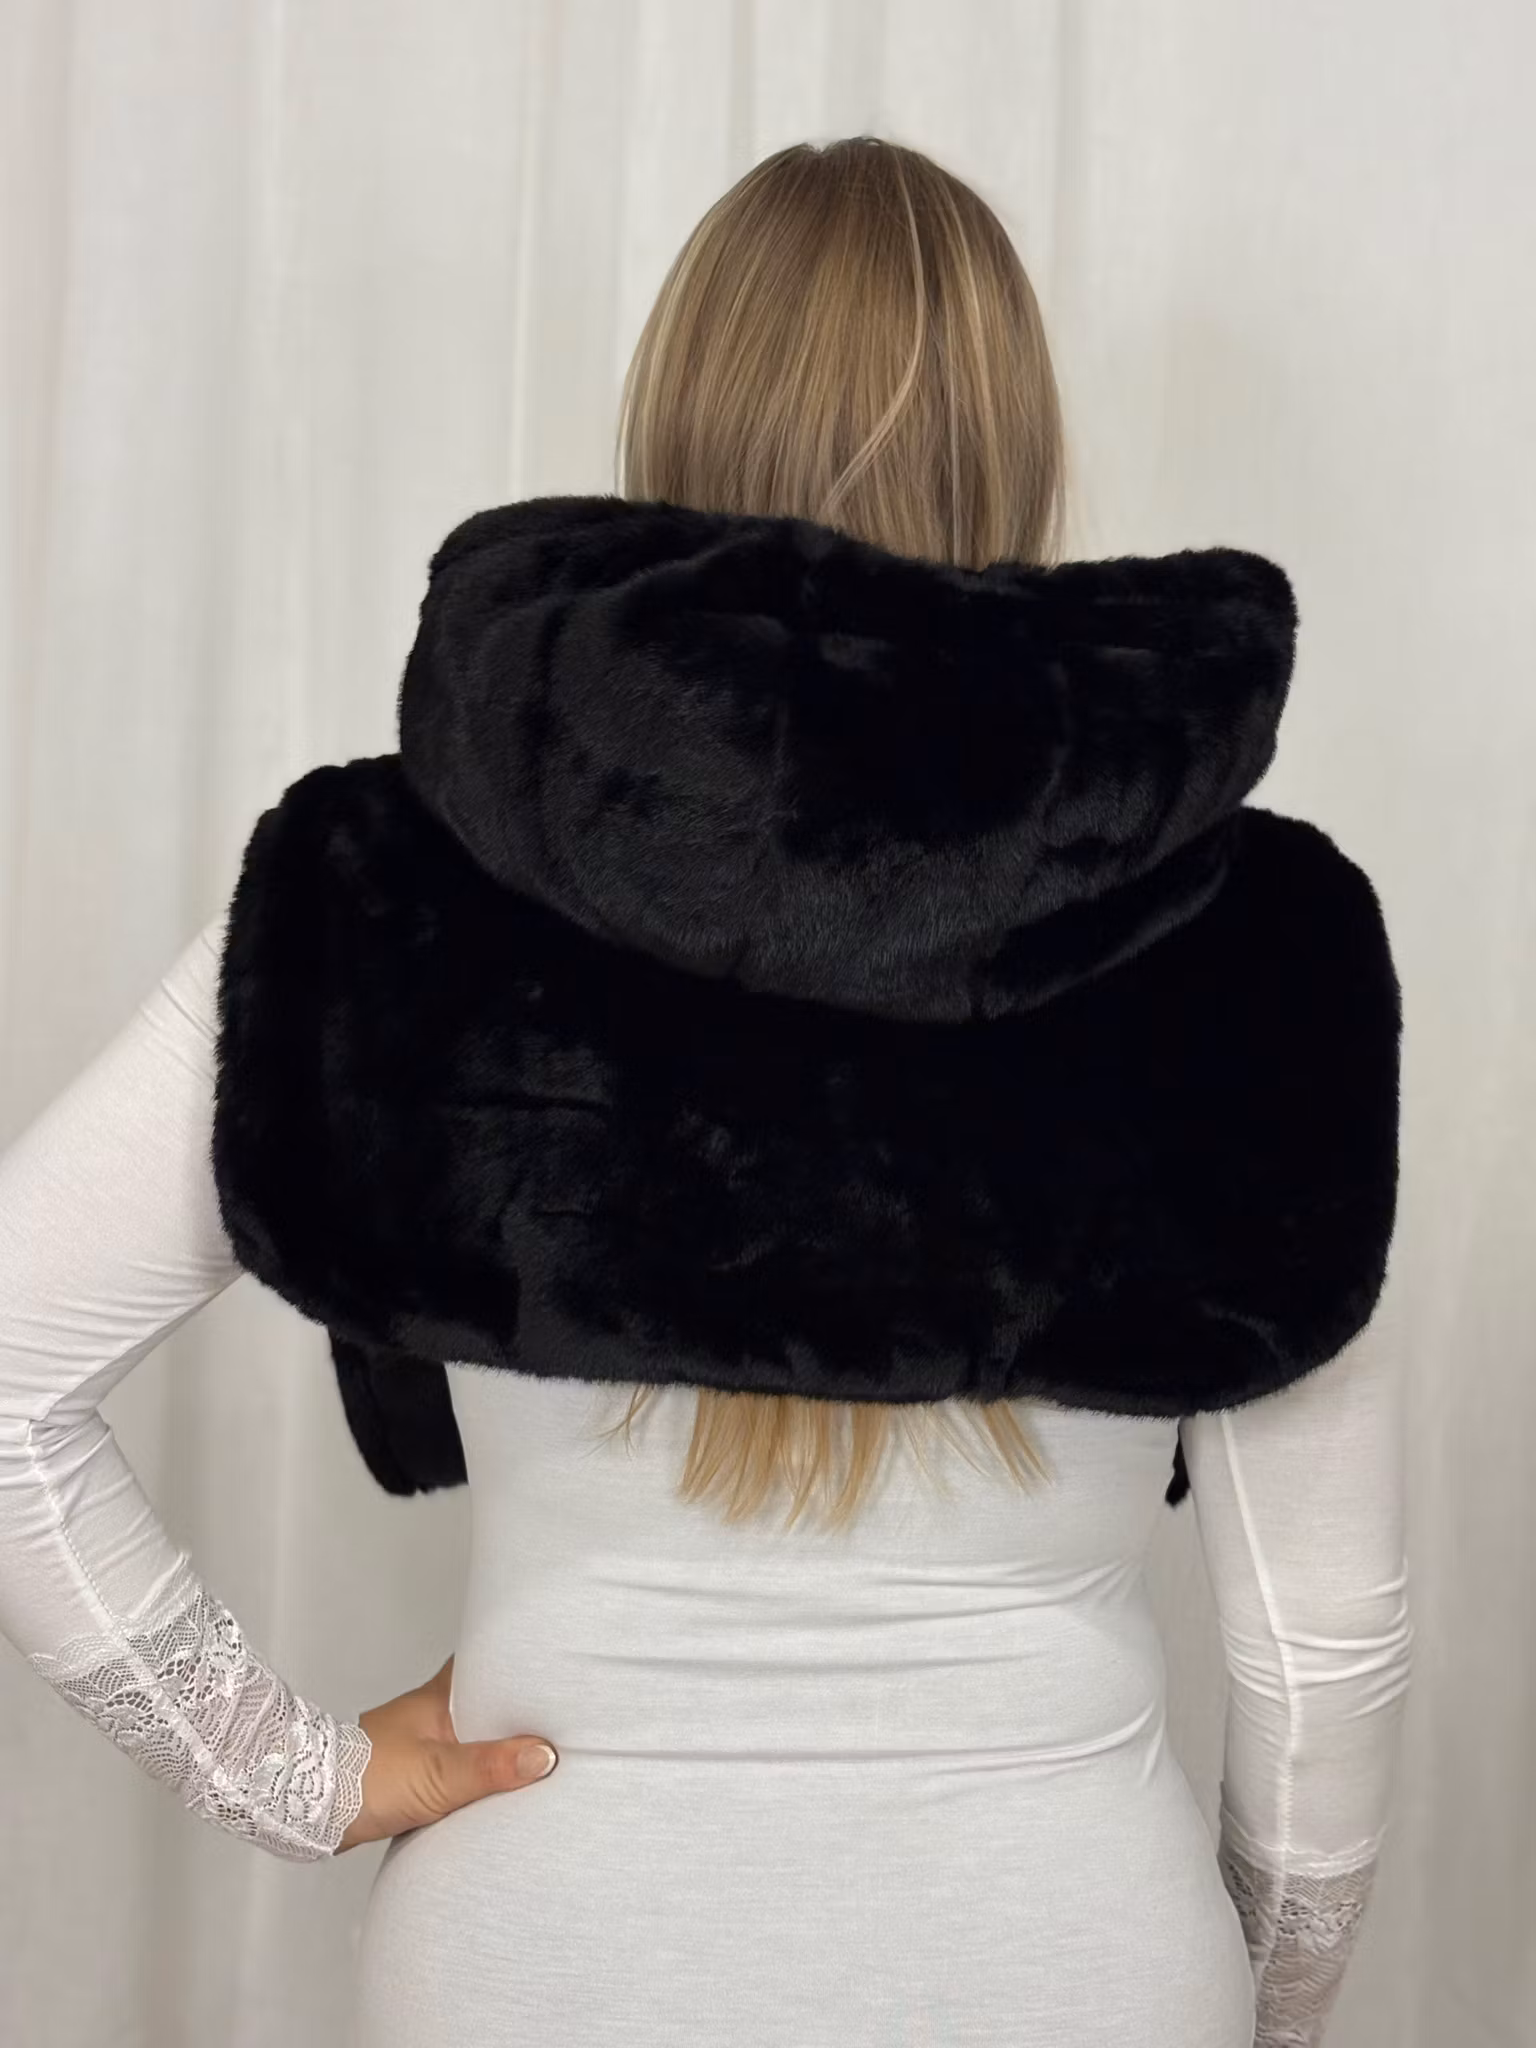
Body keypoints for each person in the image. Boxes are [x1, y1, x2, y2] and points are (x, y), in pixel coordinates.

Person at [0, 137, 1412, 2047]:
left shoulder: (384, 885)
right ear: (1023, 444)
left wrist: (293, 1777)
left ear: (667, 421)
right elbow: (1322, 1658)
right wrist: (1263, 2001)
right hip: (1071, 1961)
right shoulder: (1257, 944)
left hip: (540, 1969)